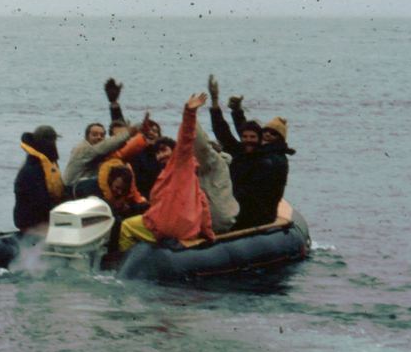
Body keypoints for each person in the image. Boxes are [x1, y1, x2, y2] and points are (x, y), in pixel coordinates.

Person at [116, 93, 215, 255]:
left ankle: (124, 262)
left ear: (174, 151)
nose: (160, 155)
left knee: (126, 227)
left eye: (164, 151)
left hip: (168, 227)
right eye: (158, 153)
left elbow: (186, 139)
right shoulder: (189, 177)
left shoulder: (180, 163)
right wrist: (208, 234)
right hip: (186, 229)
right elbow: (203, 206)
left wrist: (189, 113)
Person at [208, 77, 292, 231]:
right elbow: (226, 133)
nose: (267, 136)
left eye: (273, 134)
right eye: (266, 132)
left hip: (256, 214)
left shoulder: (272, 159)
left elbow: (252, 192)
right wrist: (217, 103)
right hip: (236, 207)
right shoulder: (248, 151)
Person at [62, 78, 136, 196]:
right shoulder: (84, 149)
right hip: (72, 191)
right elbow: (113, 140)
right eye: (94, 134)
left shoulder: (111, 147)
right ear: (86, 137)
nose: (99, 137)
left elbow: (118, 133)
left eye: (102, 135)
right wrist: (132, 131)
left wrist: (114, 104)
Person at [13, 124, 64, 233]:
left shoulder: (48, 165)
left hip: (43, 217)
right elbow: (40, 201)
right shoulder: (32, 169)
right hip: (31, 221)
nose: (53, 145)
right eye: (51, 141)